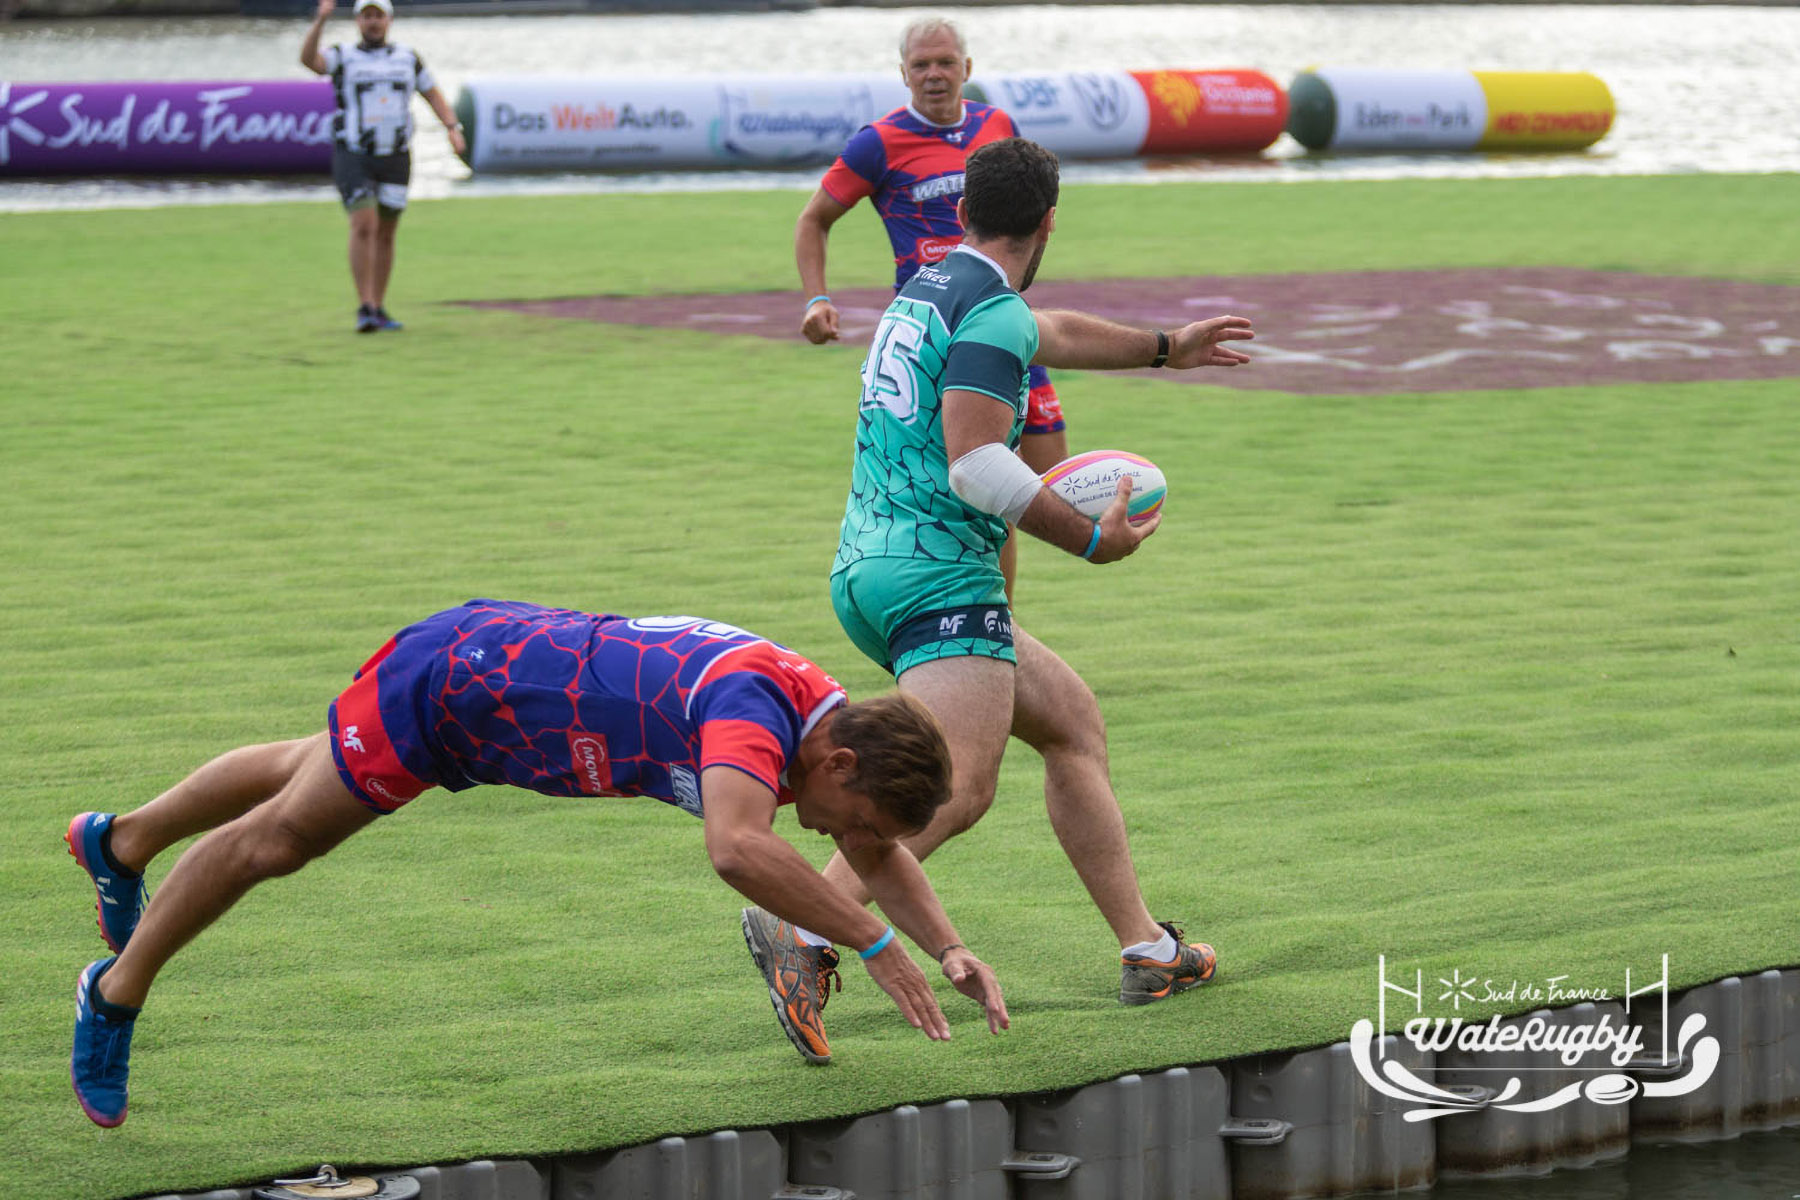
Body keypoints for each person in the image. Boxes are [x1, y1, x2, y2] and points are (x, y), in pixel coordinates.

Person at [67, 600, 1007, 1127]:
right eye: (853, 817)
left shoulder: (824, 721)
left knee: (300, 762)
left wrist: (947, 946)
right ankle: (114, 992)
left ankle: (119, 842)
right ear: (838, 763)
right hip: (450, 700)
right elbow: (736, 850)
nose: (842, 836)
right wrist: (876, 941)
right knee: (281, 837)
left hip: (489, 683)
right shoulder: (753, 717)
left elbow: (871, 849)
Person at [743, 137, 1254, 1062]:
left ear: (964, 209)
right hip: (940, 581)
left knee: (1071, 727)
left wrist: (1165, 349)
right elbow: (978, 464)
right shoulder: (991, 313)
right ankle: (807, 933)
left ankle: (1148, 950)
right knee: (961, 788)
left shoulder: (934, 287)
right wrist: (1091, 538)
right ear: (1050, 221)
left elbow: (1047, 327)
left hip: (873, 568)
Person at [793, 18, 1068, 598]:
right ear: (903, 74)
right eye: (921, 65)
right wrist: (817, 297)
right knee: (988, 479)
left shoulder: (996, 126)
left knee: (1048, 480)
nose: (934, 75)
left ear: (967, 68)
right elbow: (813, 219)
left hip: (1003, 325)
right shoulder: (878, 143)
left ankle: (996, 625)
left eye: (945, 62)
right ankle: (992, 624)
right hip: (937, 341)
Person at [301, 0, 465, 334]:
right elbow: (310, 62)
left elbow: (432, 93)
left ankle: (378, 306)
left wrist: (452, 127)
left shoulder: (407, 58)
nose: (373, 22)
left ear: (389, 20)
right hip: (355, 153)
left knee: (387, 232)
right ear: (357, 21)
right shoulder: (343, 55)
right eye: (367, 16)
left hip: (395, 156)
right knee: (364, 222)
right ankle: (364, 306)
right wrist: (320, 20)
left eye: (378, 16)